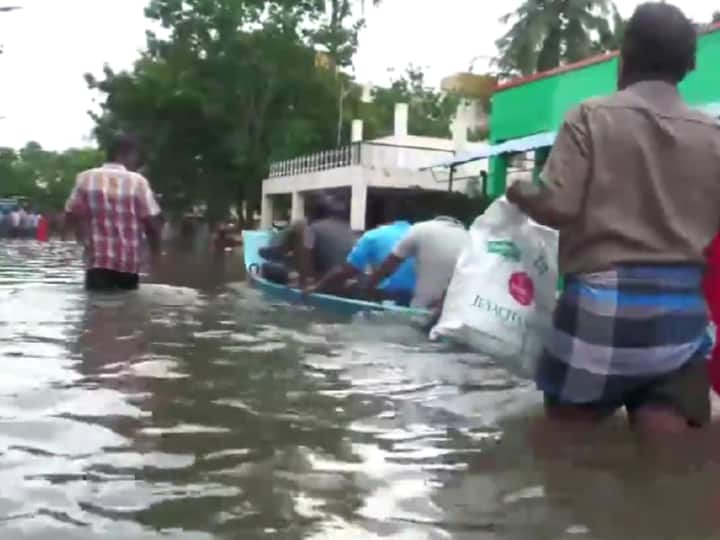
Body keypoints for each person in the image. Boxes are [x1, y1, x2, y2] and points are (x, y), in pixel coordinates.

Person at [506, 2, 720, 433]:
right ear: (691, 65)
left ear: (625, 56)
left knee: (567, 454)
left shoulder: (589, 116)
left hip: (598, 314)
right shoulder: (714, 135)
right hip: (680, 318)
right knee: (665, 468)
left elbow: (558, 207)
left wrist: (519, 193)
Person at [65, 133, 162, 292]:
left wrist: (80, 238)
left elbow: (71, 214)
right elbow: (150, 223)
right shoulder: (138, 182)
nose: (135, 161)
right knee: (128, 310)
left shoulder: (85, 178)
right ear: (123, 153)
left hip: (97, 261)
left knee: (95, 309)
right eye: (134, 156)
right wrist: (156, 254)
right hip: (129, 263)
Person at [306, 198, 416, 305]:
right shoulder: (418, 234)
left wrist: (317, 287)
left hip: (385, 297)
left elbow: (347, 271)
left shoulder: (373, 236)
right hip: (418, 297)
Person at [366, 216, 467, 309]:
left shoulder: (420, 229)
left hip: (423, 309)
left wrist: (368, 288)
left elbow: (390, 264)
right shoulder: (470, 238)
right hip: (457, 312)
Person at [259, 193, 356, 288]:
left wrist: (302, 281)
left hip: (322, 279)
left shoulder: (309, 229)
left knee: (266, 267)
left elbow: (304, 258)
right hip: (346, 278)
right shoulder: (348, 228)